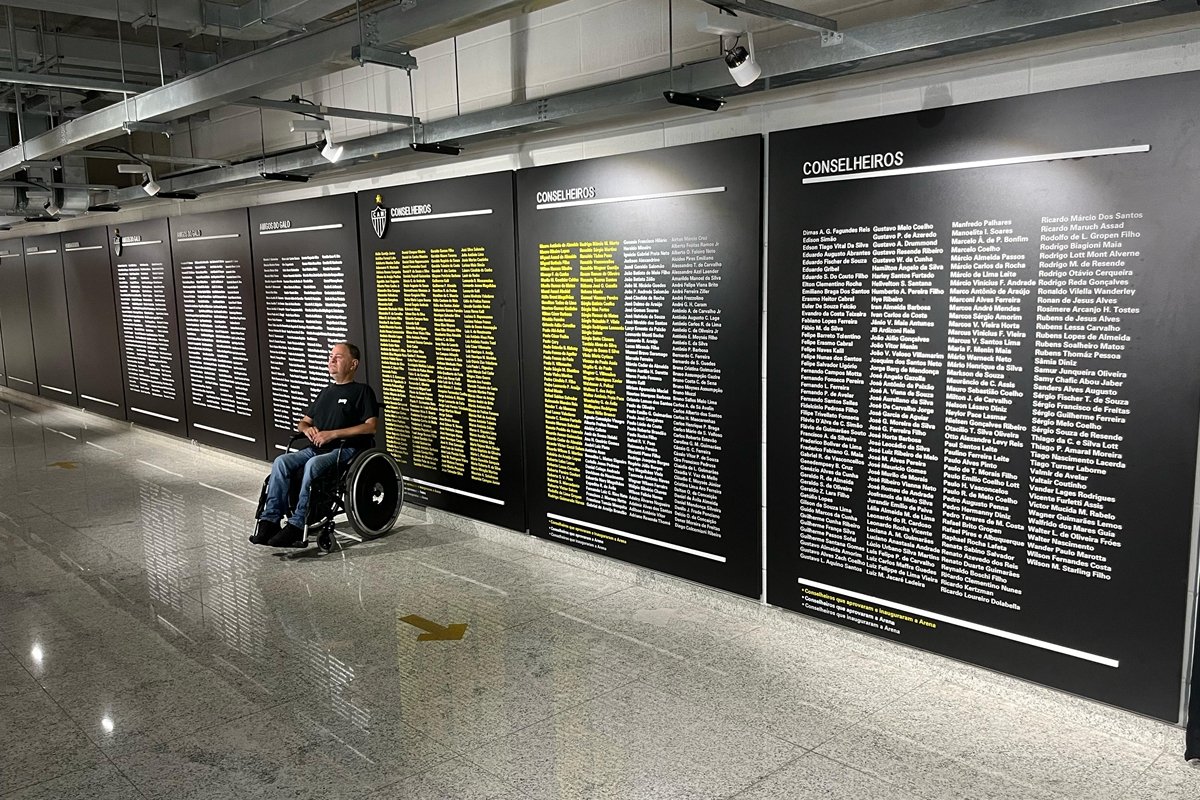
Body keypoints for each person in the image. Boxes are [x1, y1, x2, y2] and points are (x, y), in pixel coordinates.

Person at [251, 341, 378, 548]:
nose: (332, 359)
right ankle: (270, 520)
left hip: (345, 450)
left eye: (338, 356)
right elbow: (304, 421)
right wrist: (306, 429)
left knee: (313, 465)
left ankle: (298, 523)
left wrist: (332, 434)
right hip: (316, 448)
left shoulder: (362, 392)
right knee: (281, 462)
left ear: (353, 364)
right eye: (331, 355)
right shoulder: (326, 392)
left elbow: (370, 427)